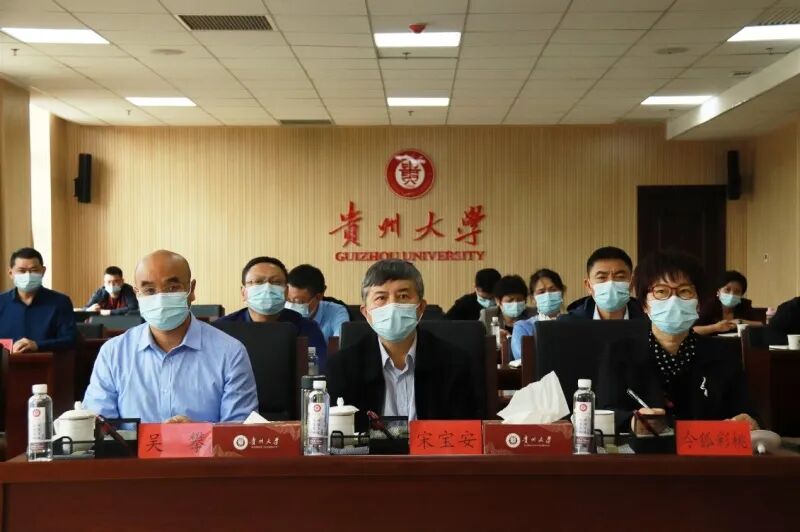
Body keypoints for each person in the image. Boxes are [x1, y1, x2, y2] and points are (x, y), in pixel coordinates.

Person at [83, 250, 258, 423]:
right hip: (130, 445)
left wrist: (198, 434)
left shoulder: (230, 352)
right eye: (149, 290)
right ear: (137, 294)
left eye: (172, 288)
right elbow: (98, 427)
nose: (160, 298)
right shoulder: (113, 353)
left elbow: (240, 433)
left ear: (191, 290)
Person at [597, 250, 758, 435]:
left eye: (684, 291)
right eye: (661, 291)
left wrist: (750, 421)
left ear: (698, 303)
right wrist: (633, 423)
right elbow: (605, 414)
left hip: (705, 450)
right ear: (644, 305)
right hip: (644, 450)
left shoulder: (724, 354)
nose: (673, 300)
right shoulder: (619, 353)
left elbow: (747, 412)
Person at [327, 259, 478, 432]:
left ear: (420, 308)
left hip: (433, 449)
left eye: (403, 296)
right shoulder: (342, 367)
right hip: (368, 451)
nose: (392, 306)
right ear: (366, 313)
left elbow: (465, 432)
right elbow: (340, 436)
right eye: (381, 298)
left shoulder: (454, 362)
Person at [217, 256, 327, 369]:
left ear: (286, 292)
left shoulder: (306, 328)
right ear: (243, 292)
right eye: (258, 282)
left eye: (276, 282)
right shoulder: (222, 329)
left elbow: (317, 370)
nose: (267, 288)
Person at [0, 247, 76, 353]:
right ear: (10, 273)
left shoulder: (60, 302)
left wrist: (38, 345)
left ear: (43, 271)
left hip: (47, 361)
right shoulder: (2, 302)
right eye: (21, 271)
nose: (27, 276)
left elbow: (70, 340)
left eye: (34, 270)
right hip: (7, 362)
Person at [561, 246, 645, 320]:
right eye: (601, 277)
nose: (611, 283)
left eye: (620, 277)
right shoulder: (568, 325)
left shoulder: (647, 321)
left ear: (632, 284)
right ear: (588, 286)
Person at [510, 269, 566, 361]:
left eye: (553, 290)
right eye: (541, 292)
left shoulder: (573, 322)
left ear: (562, 293)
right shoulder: (523, 327)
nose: (548, 295)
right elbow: (523, 358)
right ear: (533, 299)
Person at [286, 264, 349, 342]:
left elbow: (341, 343)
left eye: (299, 301)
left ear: (318, 297)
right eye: (288, 300)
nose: (291, 306)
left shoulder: (336, 312)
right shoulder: (279, 312)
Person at [694, 270, 763, 336]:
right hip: (713, 343)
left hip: (737, 343)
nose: (732, 294)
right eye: (727, 289)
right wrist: (715, 327)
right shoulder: (710, 305)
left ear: (741, 295)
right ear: (718, 291)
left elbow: (760, 325)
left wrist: (740, 321)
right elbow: (693, 330)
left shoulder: (744, 304)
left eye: (737, 291)